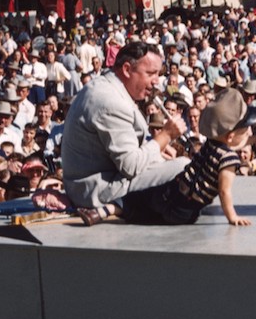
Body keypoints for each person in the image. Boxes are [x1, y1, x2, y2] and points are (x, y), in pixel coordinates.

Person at [77, 88, 256, 227]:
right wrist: (232, 217)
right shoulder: (229, 160)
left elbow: (237, 143)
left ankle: (100, 212)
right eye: (245, 131)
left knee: (136, 200)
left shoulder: (210, 144)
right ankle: (115, 212)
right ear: (231, 136)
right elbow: (224, 191)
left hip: (171, 191)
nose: (248, 134)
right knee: (146, 215)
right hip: (186, 210)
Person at [61, 40, 188, 209]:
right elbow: (131, 165)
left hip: (96, 181)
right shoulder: (111, 102)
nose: (156, 81)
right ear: (127, 69)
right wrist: (165, 136)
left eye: (158, 74)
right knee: (183, 166)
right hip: (96, 190)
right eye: (150, 73)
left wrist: (157, 152)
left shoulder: (107, 87)